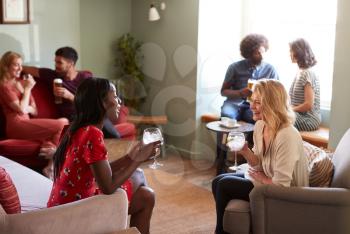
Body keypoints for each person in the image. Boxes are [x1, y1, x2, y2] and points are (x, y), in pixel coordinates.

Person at [47, 77, 157, 234]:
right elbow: (108, 187)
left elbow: (95, 171)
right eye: (115, 96)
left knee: (139, 179)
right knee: (147, 196)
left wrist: (130, 158)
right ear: (102, 103)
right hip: (74, 213)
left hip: (62, 206)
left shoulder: (74, 129)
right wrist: (138, 160)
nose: (119, 101)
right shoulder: (92, 133)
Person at [212, 79, 309, 234]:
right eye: (252, 101)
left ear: (272, 104)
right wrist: (245, 151)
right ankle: (221, 230)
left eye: (257, 102)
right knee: (218, 181)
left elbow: (282, 185)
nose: (251, 106)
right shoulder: (260, 126)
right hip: (268, 181)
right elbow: (257, 164)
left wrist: (262, 178)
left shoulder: (287, 135)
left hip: (289, 196)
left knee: (224, 184)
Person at [23, 46, 121, 138]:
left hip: (90, 115)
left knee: (114, 136)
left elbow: (92, 104)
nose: (56, 66)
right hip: (72, 118)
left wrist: (69, 96)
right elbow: (28, 69)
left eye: (60, 63)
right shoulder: (52, 75)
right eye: (55, 62)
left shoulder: (85, 78)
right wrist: (16, 68)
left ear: (71, 63)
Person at [0, 51, 68, 177]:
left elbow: (34, 110)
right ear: (6, 66)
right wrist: (27, 90)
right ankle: (52, 163)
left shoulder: (21, 83)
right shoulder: (4, 86)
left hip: (26, 123)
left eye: (21, 65)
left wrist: (25, 105)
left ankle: (50, 165)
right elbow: (21, 109)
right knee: (63, 123)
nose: (20, 68)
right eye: (16, 65)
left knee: (64, 122)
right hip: (16, 125)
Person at [220, 34, 279, 123]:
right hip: (234, 103)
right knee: (227, 116)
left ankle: (251, 137)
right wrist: (240, 93)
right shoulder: (234, 67)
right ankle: (228, 137)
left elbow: (276, 93)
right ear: (248, 54)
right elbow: (223, 91)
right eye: (257, 53)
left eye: (263, 52)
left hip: (256, 106)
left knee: (257, 119)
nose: (262, 56)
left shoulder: (270, 69)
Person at [289, 38, 321, 131]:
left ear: (299, 52)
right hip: (299, 115)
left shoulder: (307, 73)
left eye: (291, 51)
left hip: (309, 119)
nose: (289, 54)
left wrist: (290, 109)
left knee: (281, 117)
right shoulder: (300, 72)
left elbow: (308, 105)